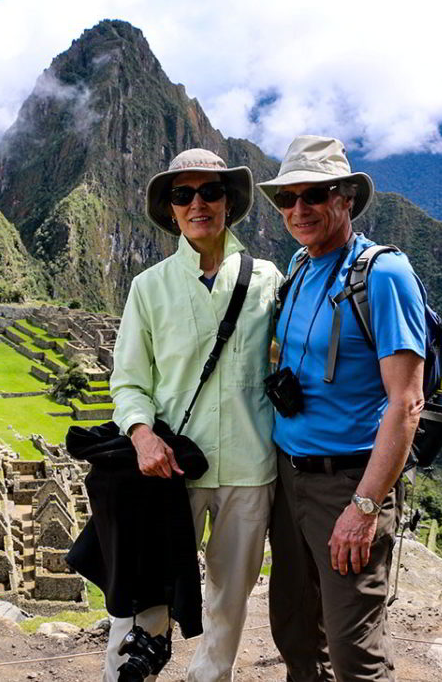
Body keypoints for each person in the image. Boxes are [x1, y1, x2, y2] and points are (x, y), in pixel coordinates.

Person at [256, 135, 425, 681]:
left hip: (347, 482)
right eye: (287, 199)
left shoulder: (383, 275)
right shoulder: (301, 266)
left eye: (315, 195)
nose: (299, 210)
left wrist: (365, 508)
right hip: (289, 476)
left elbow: (406, 401)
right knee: (297, 636)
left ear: (346, 198)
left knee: (355, 654)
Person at [109, 148, 281, 682]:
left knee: (230, 599)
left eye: (210, 191)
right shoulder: (150, 286)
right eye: (183, 195)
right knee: (148, 594)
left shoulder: (269, 281)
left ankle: (210, 678)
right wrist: (141, 435)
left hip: (250, 467)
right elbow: (129, 380)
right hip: (171, 468)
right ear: (172, 208)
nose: (197, 203)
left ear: (228, 202)